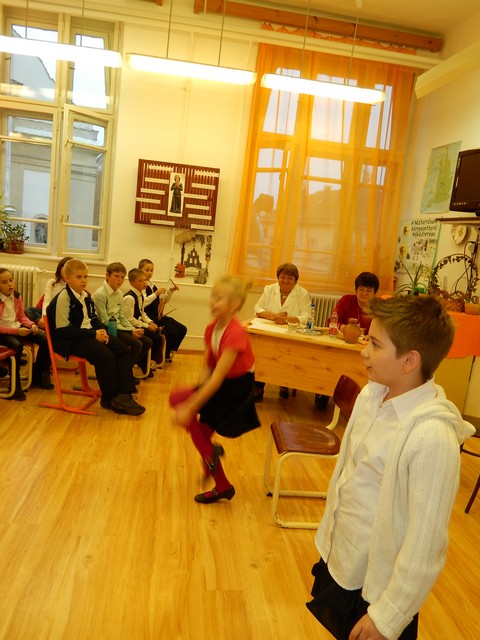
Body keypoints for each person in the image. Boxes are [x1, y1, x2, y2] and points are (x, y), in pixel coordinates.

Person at [306, 295, 475, 640]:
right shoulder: (371, 397)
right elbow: (349, 478)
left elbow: (425, 546)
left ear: (409, 361)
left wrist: (388, 617)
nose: (364, 351)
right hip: (345, 560)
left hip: (379, 590)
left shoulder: (432, 437)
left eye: (375, 344)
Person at [169, 275, 260, 504]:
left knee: (188, 413)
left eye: (219, 298)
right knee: (195, 424)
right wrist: (196, 395)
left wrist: (191, 406)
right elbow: (208, 367)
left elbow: (218, 378)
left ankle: (214, 465)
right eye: (213, 296)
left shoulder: (235, 332)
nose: (212, 301)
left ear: (234, 304)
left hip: (236, 389)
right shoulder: (212, 328)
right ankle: (222, 483)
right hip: (222, 384)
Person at [46, 259, 145, 416]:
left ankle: (123, 393)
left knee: (123, 349)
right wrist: (93, 334)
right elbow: (63, 330)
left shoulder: (85, 295)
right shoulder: (64, 298)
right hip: (69, 341)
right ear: (67, 278)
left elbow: (93, 319)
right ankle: (108, 399)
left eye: (85, 276)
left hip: (87, 334)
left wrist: (101, 330)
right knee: (106, 356)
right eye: (79, 277)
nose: (84, 280)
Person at [315, 271, 380, 410]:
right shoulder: (346, 300)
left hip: (364, 348)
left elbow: (383, 331)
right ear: (356, 290)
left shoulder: (379, 308)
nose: (364, 293)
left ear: (375, 293)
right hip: (343, 343)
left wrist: (372, 335)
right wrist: (345, 328)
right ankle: (323, 392)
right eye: (361, 289)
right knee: (330, 360)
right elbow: (332, 321)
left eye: (369, 290)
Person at [253, 262, 311, 400]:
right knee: (263, 353)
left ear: (295, 280)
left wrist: (286, 320)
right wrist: (273, 316)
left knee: (286, 355)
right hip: (270, 330)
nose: (285, 281)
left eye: (290, 278)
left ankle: (284, 384)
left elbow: (306, 317)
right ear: (278, 278)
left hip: (291, 333)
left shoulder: (302, 294)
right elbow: (257, 309)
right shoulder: (269, 289)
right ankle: (258, 387)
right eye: (282, 277)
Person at [0, 267, 53, 400]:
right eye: (4, 282)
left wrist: (32, 325)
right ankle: (15, 385)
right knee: (17, 346)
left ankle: (38, 375)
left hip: (15, 326)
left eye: (11, 280)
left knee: (46, 339)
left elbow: (21, 316)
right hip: (3, 332)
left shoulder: (16, 296)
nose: (10, 284)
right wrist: (17, 331)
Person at [92, 262, 153, 376]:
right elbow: (105, 320)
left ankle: (124, 370)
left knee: (147, 342)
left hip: (118, 326)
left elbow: (121, 316)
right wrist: (129, 332)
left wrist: (132, 329)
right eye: (116, 276)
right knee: (136, 344)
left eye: (122, 277)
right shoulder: (100, 294)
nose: (119, 280)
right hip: (106, 328)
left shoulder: (119, 294)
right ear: (107, 275)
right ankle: (123, 372)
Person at [139, 258, 187, 362]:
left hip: (158, 316)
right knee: (173, 331)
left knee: (182, 329)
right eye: (147, 270)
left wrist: (170, 291)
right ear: (140, 270)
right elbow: (143, 303)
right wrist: (156, 293)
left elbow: (163, 300)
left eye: (151, 270)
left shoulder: (153, 285)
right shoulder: (141, 286)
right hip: (149, 318)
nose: (150, 273)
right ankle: (163, 354)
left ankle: (168, 351)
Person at [122, 268, 165, 368]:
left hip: (137, 323)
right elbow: (129, 319)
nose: (144, 283)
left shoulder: (140, 295)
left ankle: (147, 362)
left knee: (158, 335)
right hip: (130, 326)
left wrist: (150, 322)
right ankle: (142, 363)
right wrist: (146, 326)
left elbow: (142, 313)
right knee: (152, 339)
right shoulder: (129, 298)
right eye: (141, 281)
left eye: (145, 280)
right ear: (132, 283)